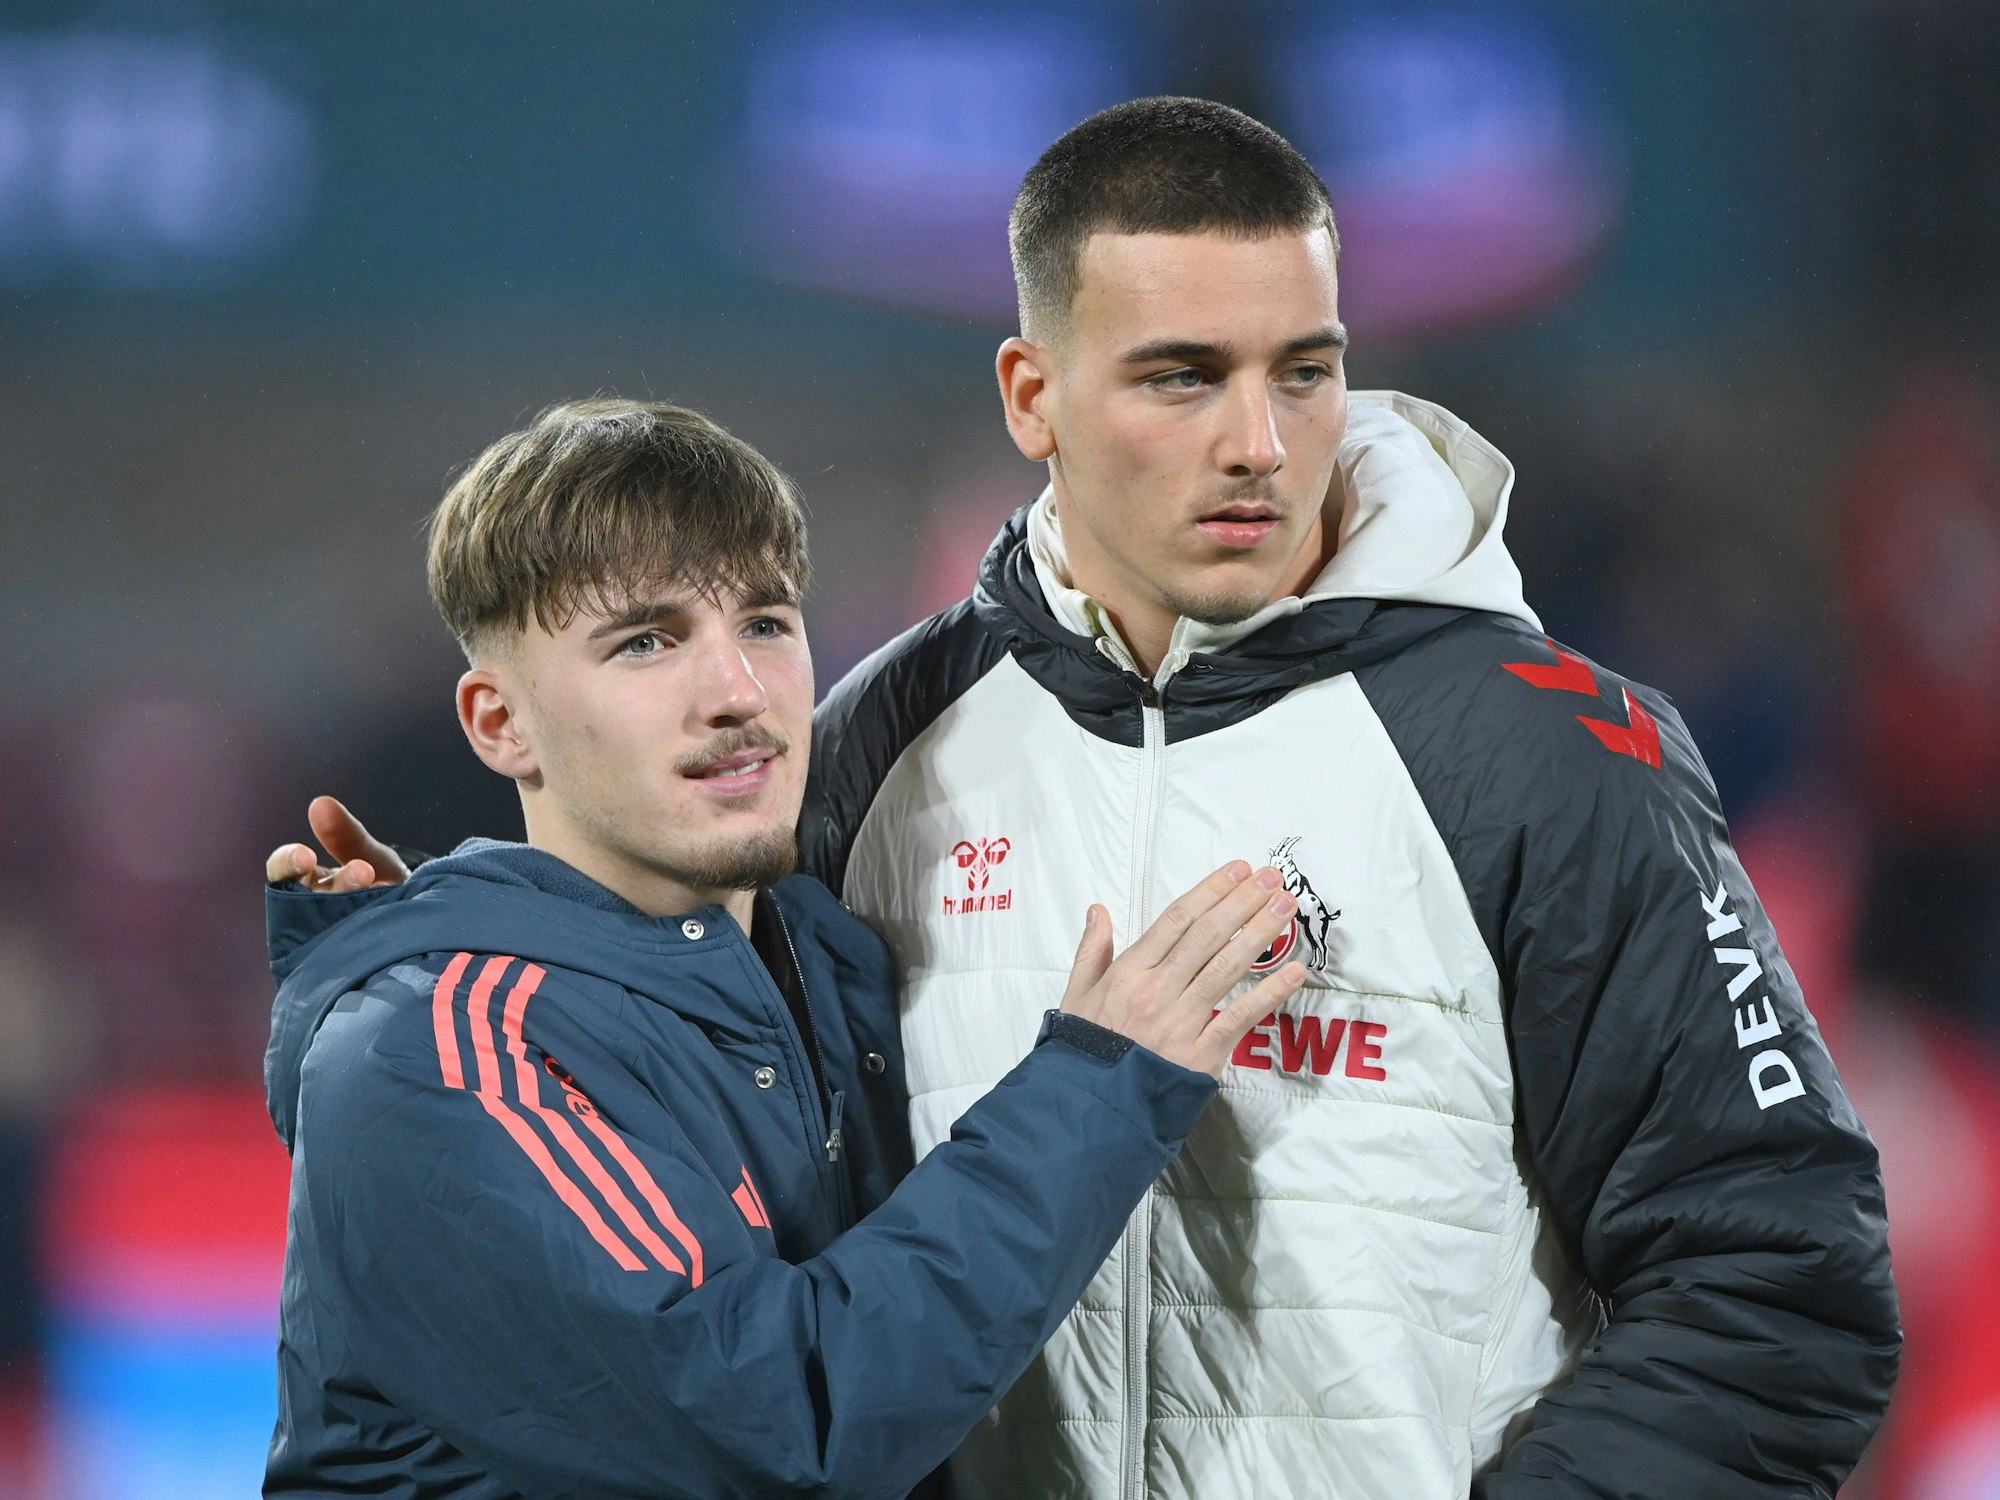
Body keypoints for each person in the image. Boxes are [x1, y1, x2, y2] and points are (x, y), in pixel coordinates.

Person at [279, 99, 1900, 1497]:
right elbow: (709, 1142)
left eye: (1306, 371)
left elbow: (1779, 1288)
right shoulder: (883, 745)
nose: (1261, 443)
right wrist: (443, 963)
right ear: (1031, 397)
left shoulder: (1545, 755)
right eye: (1181, 377)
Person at [259, 397, 1312, 1498]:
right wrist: (1100, 1085)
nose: (740, 694)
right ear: (499, 723)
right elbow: (779, 1429)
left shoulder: (827, 956)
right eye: (646, 642)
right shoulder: (435, 1052)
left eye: (764, 623)